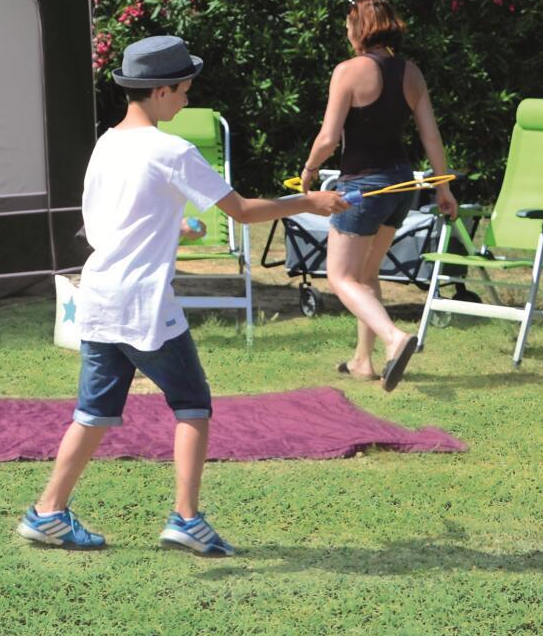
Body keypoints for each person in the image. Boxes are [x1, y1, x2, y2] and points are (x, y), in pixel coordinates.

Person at [21, 35, 343, 557]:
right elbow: (242, 211)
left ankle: (48, 512)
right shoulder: (172, 151)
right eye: (184, 89)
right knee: (192, 404)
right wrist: (309, 202)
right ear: (160, 91)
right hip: (144, 303)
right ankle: (187, 519)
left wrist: (173, 227)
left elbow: (110, 222)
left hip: (100, 296)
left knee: (93, 412)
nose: (188, 98)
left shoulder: (105, 144)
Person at [296, 0, 458, 393]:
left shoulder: (348, 71)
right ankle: (362, 361)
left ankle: (393, 338)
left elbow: (328, 138)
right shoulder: (411, 73)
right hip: (401, 184)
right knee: (366, 275)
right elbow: (431, 136)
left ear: (360, 28)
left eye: (348, 25)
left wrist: (309, 170)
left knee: (340, 276)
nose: (346, 32)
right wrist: (443, 186)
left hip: (362, 187)